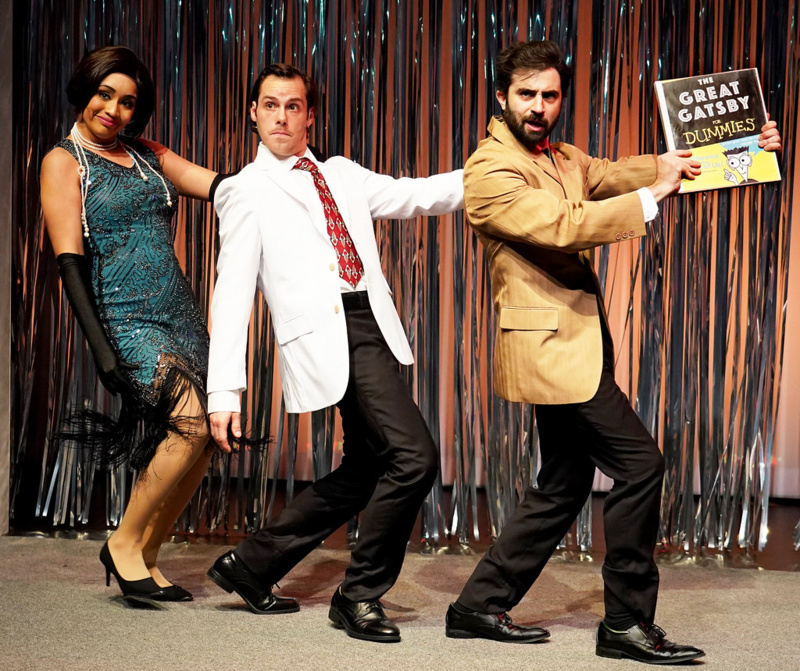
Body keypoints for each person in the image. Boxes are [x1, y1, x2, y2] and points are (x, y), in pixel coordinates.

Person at [445, 40, 781, 664]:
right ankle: (624, 624)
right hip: (551, 353)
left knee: (563, 483)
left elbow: (614, 172)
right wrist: (656, 193)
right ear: (501, 98)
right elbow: (564, 224)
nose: (539, 106)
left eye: (550, 95)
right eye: (526, 94)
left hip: (574, 346)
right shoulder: (490, 170)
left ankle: (476, 606)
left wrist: (736, 152)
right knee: (641, 466)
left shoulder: (562, 155)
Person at [205, 63, 463, 642]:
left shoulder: (341, 173)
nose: (281, 116)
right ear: (253, 112)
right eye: (270, 104)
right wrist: (224, 389)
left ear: (309, 115)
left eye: (293, 106)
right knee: (414, 455)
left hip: (373, 324)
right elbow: (231, 293)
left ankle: (251, 565)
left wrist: (500, 174)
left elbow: (417, 195)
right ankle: (359, 593)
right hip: (328, 335)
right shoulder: (244, 190)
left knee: (366, 468)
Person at [40, 46, 229, 603]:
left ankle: (148, 552)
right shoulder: (63, 161)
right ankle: (122, 544)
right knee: (189, 423)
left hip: (180, 311)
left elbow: (221, 186)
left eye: (127, 102)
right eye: (105, 94)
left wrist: (287, 170)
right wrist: (102, 350)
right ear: (86, 89)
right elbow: (69, 264)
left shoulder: (147, 154)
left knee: (206, 440)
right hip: (127, 318)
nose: (114, 110)